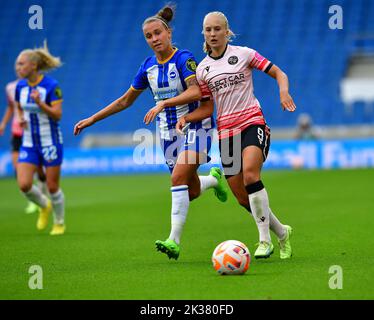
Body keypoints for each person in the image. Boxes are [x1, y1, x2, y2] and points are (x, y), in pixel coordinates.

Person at [74, 5, 228, 260]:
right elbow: (125, 101)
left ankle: (173, 241)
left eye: (158, 33)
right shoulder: (147, 67)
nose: (154, 39)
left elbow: (196, 93)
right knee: (188, 190)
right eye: (149, 36)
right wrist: (92, 118)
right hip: (168, 134)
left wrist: (164, 103)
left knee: (177, 178)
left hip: (196, 126)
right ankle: (212, 180)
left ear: (168, 33)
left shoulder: (184, 58)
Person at [168, 11, 296, 259]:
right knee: (241, 197)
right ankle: (282, 233)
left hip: (252, 123)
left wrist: (284, 92)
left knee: (250, 175)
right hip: (226, 133)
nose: (213, 34)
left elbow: (280, 73)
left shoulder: (245, 54)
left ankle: (264, 241)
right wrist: (186, 117)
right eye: (208, 30)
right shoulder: (203, 70)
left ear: (227, 32)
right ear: (203, 33)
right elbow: (207, 107)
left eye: (218, 29)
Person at [15, 41, 66, 235]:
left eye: (21, 64)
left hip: (50, 141)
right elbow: (19, 106)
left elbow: (57, 115)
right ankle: (44, 206)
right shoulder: (20, 87)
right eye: (17, 64)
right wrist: (20, 117)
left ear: (33, 66)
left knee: (52, 187)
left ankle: (59, 222)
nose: (17, 67)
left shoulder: (51, 86)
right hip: (29, 143)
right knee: (24, 185)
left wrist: (40, 103)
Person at [1, 72, 48, 215]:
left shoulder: (38, 86)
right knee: (19, 170)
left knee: (39, 170)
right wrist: (3, 123)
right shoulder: (10, 87)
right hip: (17, 132)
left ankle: (42, 195)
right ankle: (34, 201)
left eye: (22, 64)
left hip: (32, 132)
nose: (20, 68)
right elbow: (11, 107)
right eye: (18, 65)